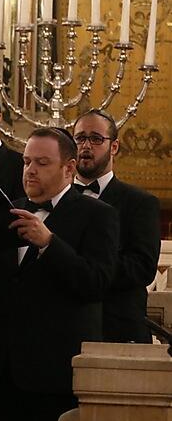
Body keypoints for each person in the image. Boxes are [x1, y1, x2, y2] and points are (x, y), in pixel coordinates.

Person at [0, 127, 118, 421]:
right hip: (6, 371)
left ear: (69, 169)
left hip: (56, 372)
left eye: (42, 162)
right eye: (26, 161)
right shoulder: (6, 211)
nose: (30, 171)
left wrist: (50, 243)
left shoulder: (97, 215)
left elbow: (96, 283)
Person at [73, 109, 160, 343]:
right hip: (62, 329)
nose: (86, 145)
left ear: (114, 147)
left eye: (96, 139)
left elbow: (141, 267)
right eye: (80, 138)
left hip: (115, 328)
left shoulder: (140, 203)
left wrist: (80, 268)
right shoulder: (56, 199)